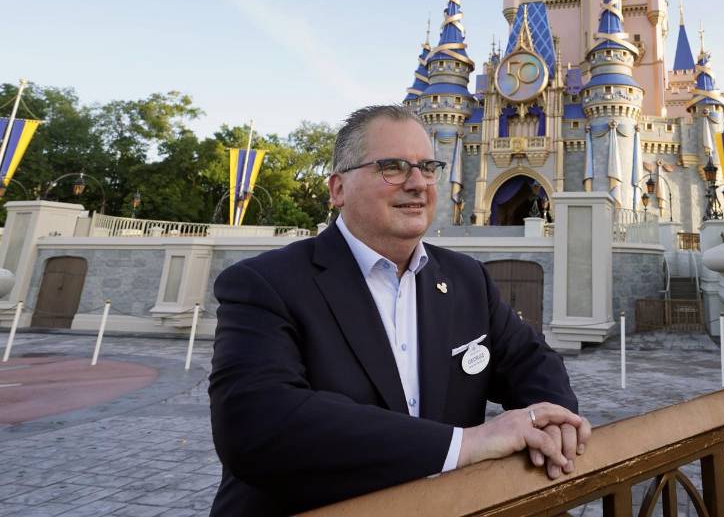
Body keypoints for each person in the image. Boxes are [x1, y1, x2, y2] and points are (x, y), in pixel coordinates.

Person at [208, 105, 589, 516]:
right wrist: (466, 445)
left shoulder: (466, 279)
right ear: (337, 189)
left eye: (428, 167)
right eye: (392, 167)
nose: (417, 184)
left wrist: (552, 422)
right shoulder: (265, 284)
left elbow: (532, 360)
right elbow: (257, 425)